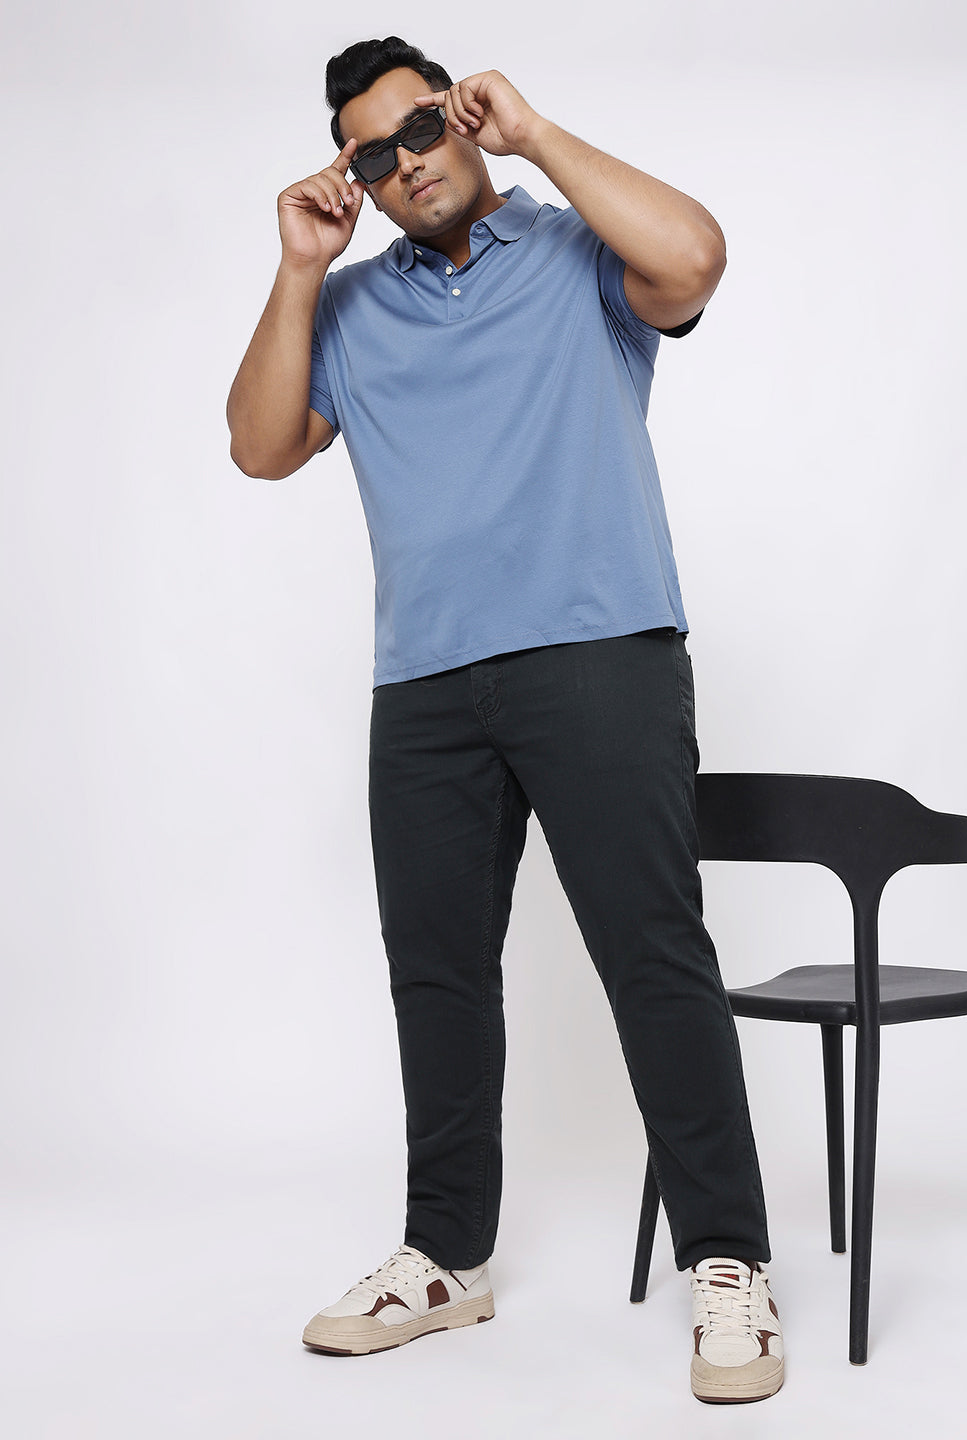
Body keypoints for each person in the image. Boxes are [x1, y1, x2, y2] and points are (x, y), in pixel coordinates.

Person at [227, 35, 783, 1405]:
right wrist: (298, 268)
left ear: (464, 116)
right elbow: (259, 446)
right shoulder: (348, 309)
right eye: (371, 153)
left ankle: (729, 1261)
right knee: (437, 976)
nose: (404, 161)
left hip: (598, 653)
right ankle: (446, 1255)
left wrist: (536, 134)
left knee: (652, 957)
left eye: (421, 125)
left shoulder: (577, 249)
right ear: (353, 177)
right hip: (425, 684)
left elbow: (697, 258)